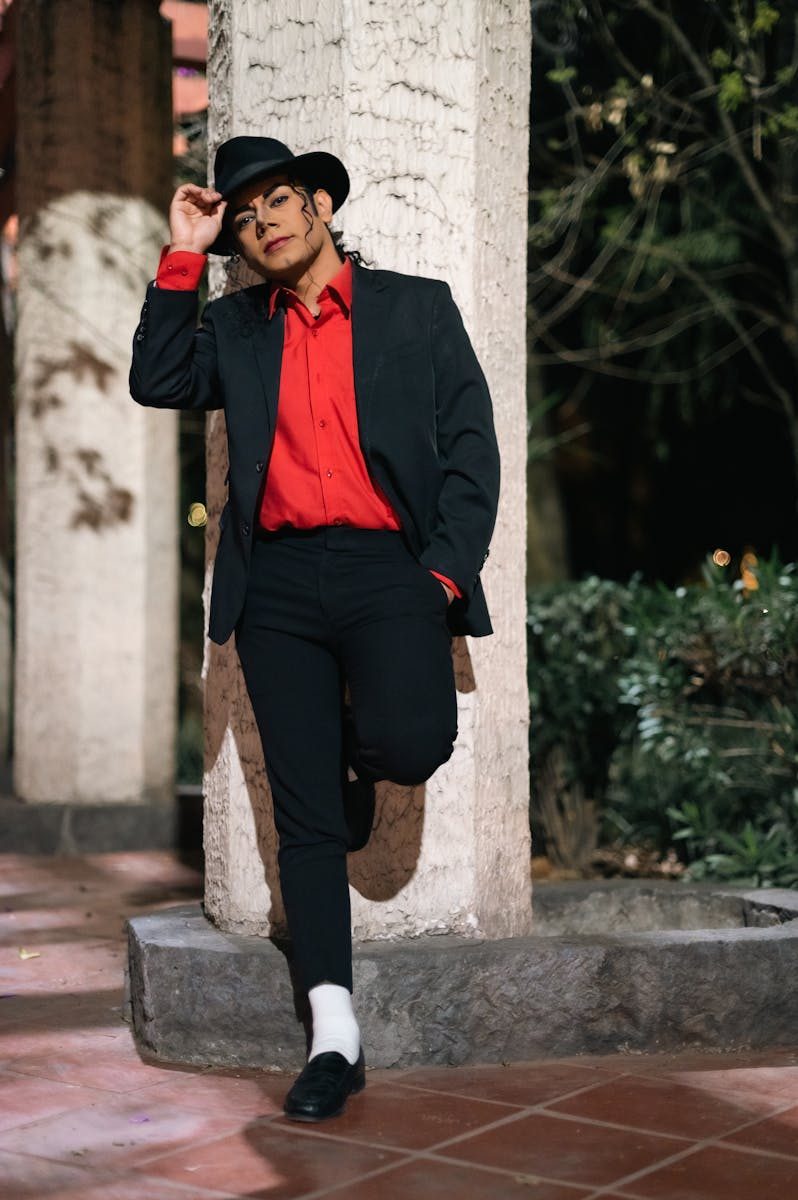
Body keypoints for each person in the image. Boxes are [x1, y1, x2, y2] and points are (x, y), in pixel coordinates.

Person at [129, 136, 500, 1122]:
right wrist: (184, 251)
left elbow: (473, 447)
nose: (264, 225)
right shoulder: (234, 328)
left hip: (391, 572)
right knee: (306, 822)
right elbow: (157, 380)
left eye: (279, 202)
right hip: (280, 584)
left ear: (322, 206)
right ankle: (335, 1035)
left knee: (411, 742)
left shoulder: (415, 309)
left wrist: (439, 576)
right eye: (246, 218)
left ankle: (352, 757)